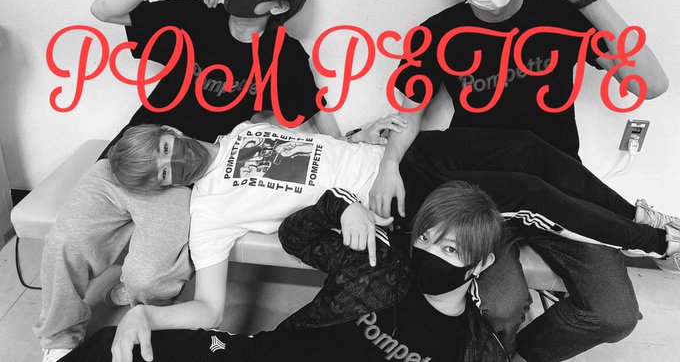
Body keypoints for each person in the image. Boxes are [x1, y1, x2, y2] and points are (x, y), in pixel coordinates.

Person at [92, 119, 678, 362]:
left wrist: (367, 136)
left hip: (398, 162)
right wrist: (146, 314)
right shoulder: (208, 210)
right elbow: (209, 308)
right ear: (165, 188)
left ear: (170, 130)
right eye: (163, 174)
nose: (175, 162)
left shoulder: (244, 128)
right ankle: (657, 242)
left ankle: (634, 214)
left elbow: (321, 151)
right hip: (393, 205)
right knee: (525, 191)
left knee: (527, 145)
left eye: (165, 148)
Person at [369, 0, 671, 361]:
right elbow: (408, 113)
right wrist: (388, 165)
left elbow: (650, 84)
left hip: (562, 183)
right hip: (480, 193)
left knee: (615, 315)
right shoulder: (437, 33)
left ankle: (514, 356)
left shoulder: (559, 12)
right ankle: (491, 347)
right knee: (502, 306)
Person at [35, 0, 349, 362]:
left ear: (278, 5)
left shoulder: (283, 53)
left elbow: (313, 112)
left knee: (150, 281)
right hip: (132, 151)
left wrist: (352, 159)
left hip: (184, 175)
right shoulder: (196, 15)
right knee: (66, 241)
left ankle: (138, 312)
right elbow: (104, 10)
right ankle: (59, 339)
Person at [59, 181, 511, 362]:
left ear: (481, 264)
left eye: (450, 249)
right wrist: (342, 207)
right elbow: (296, 234)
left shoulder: (477, 350)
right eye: (425, 239)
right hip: (267, 357)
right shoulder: (379, 263)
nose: (428, 254)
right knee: (115, 346)